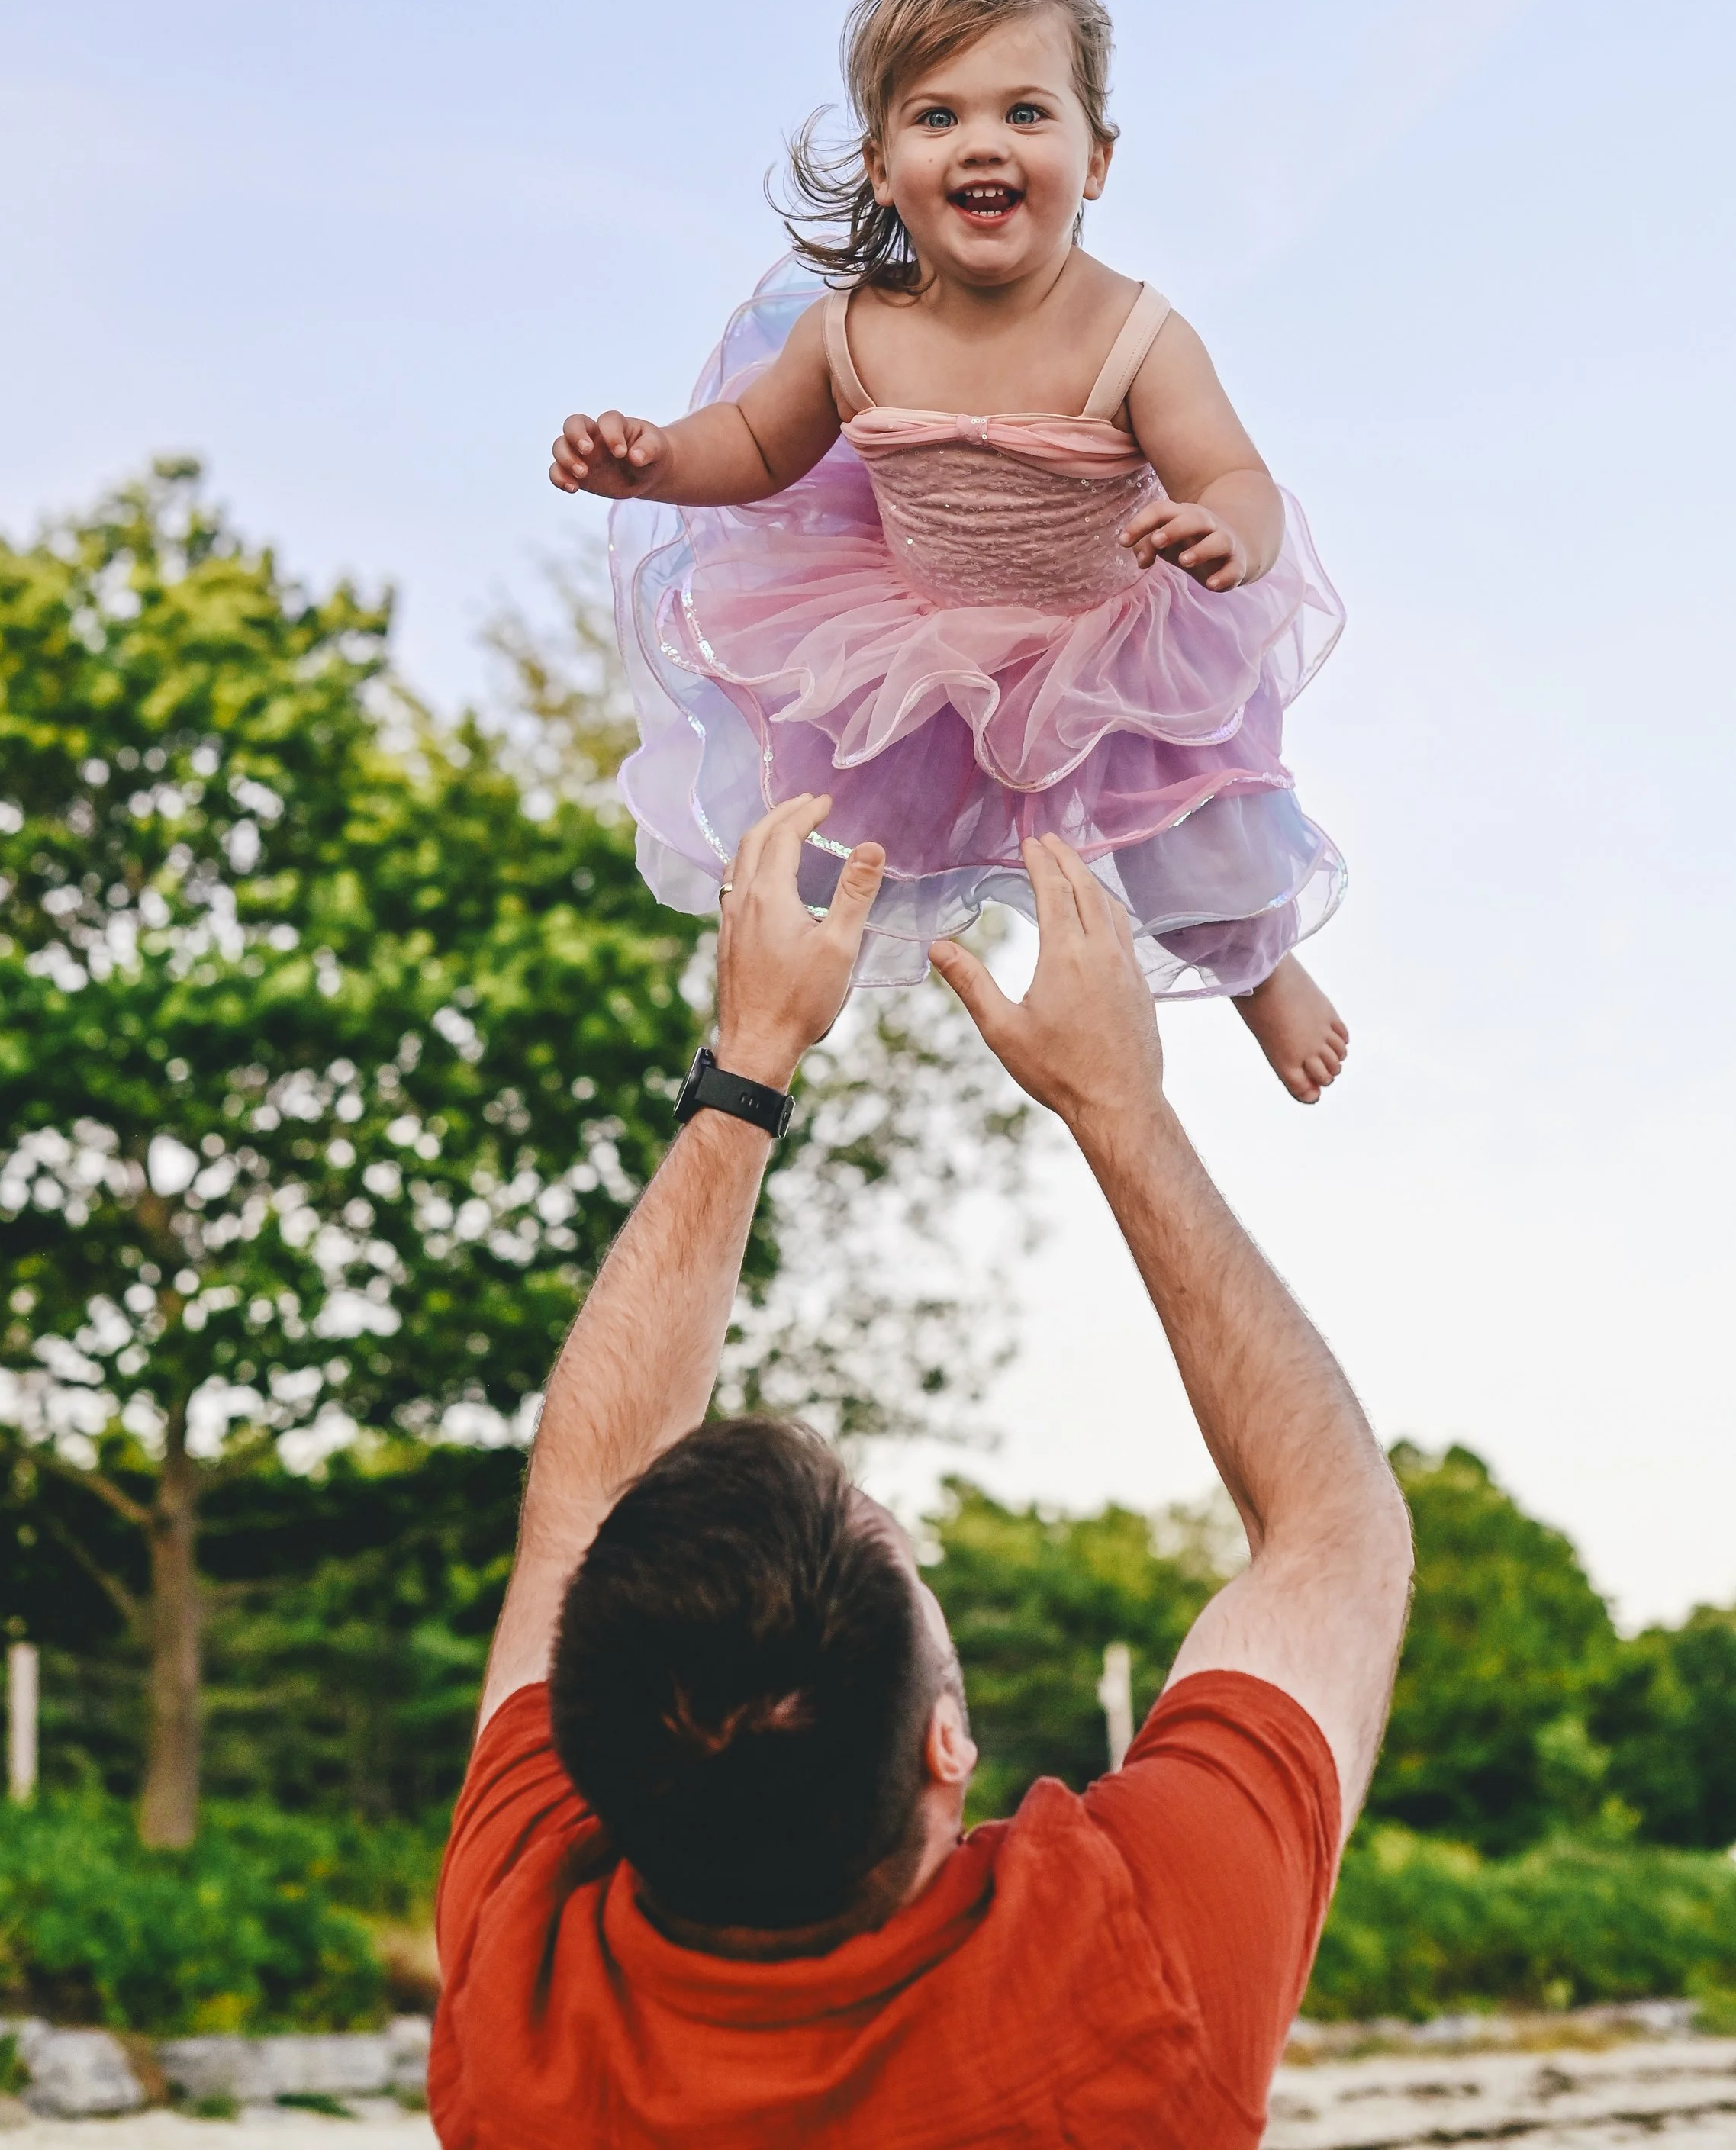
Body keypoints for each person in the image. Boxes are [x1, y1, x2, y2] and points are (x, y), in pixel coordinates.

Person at [427, 795, 1412, 2150]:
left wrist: (749, 1058)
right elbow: (1336, 1536)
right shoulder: (1131, 1986)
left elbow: (582, 1510)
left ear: (589, 1779)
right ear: (948, 1745)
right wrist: (1119, 1107)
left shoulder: (522, 2009)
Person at [552, 0, 1349, 1104]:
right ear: (881, 166)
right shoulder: (847, 332)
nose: (983, 142)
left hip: (1102, 635)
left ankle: (1260, 965)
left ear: (1097, 161)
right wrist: (660, 462)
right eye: (938, 117)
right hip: (912, 638)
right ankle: (784, 977)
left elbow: (1237, 475)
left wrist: (1225, 530)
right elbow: (760, 448)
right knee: (835, 807)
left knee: (1192, 829)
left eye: (1027, 111)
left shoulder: (1134, 335)